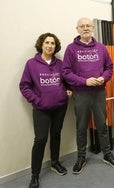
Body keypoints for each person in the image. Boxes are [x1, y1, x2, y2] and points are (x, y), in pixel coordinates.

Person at [62, 17, 114, 175]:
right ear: (77, 29)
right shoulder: (71, 49)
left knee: (102, 125)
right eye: (82, 26)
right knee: (81, 127)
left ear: (93, 28)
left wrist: (104, 77)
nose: (85, 28)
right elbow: (66, 72)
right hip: (81, 94)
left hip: (99, 92)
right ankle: (81, 157)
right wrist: (84, 81)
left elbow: (109, 67)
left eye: (88, 25)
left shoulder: (101, 48)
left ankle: (107, 154)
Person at [19, 33, 72, 188]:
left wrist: (68, 90)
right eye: (47, 42)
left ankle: (55, 162)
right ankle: (35, 175)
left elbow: (67, 80)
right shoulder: (31, 64)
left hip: (60, 107)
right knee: (40, 139)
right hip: (41, 108)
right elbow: (24, 86)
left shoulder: (61, 64)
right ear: (41, 44)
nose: (50, 46)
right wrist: (37, 100)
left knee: (56, 135)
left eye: (53, 43)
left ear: (56, 47)